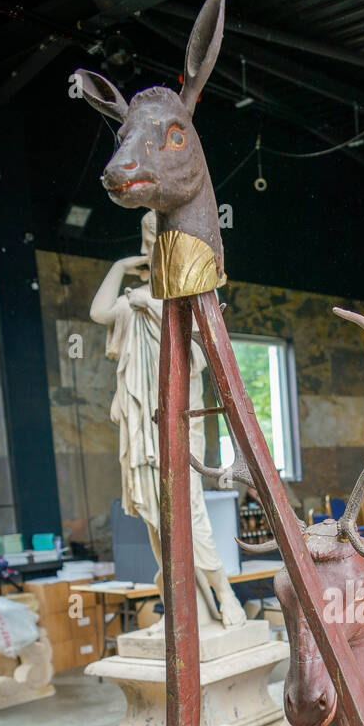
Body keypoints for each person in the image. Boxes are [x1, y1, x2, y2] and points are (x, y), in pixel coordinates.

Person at [89, 210, 242, 628]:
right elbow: (99, 313)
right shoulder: (136, 299)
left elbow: (197, 352)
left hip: (176, 420)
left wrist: (147, 302)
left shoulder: (187, 294)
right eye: (149, 237)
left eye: (159, 235)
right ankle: (182, 605)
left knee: (188, 514)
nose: (153, 244)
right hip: (142, 425)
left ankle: (225, 594)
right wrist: (120, 269)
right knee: (157, 522)